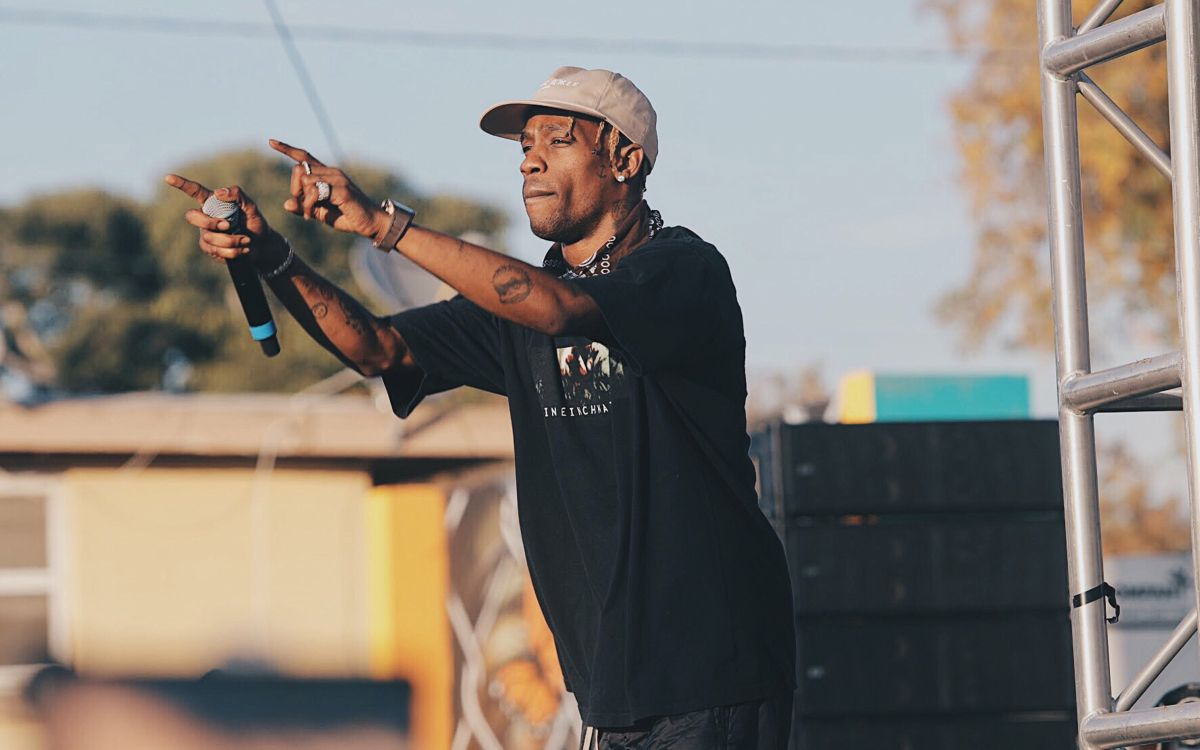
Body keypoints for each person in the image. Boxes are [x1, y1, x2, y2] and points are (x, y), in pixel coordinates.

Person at [167, 66, 796, 749]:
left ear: (625, 160)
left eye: (558, 140)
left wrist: (384, 225)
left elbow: (560, 310)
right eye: (525, 145)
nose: (529, 160)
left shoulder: (682, 271)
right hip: (611, 692)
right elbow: (377, 348)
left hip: (712, 676)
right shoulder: (524, 308)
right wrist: (273, 257)